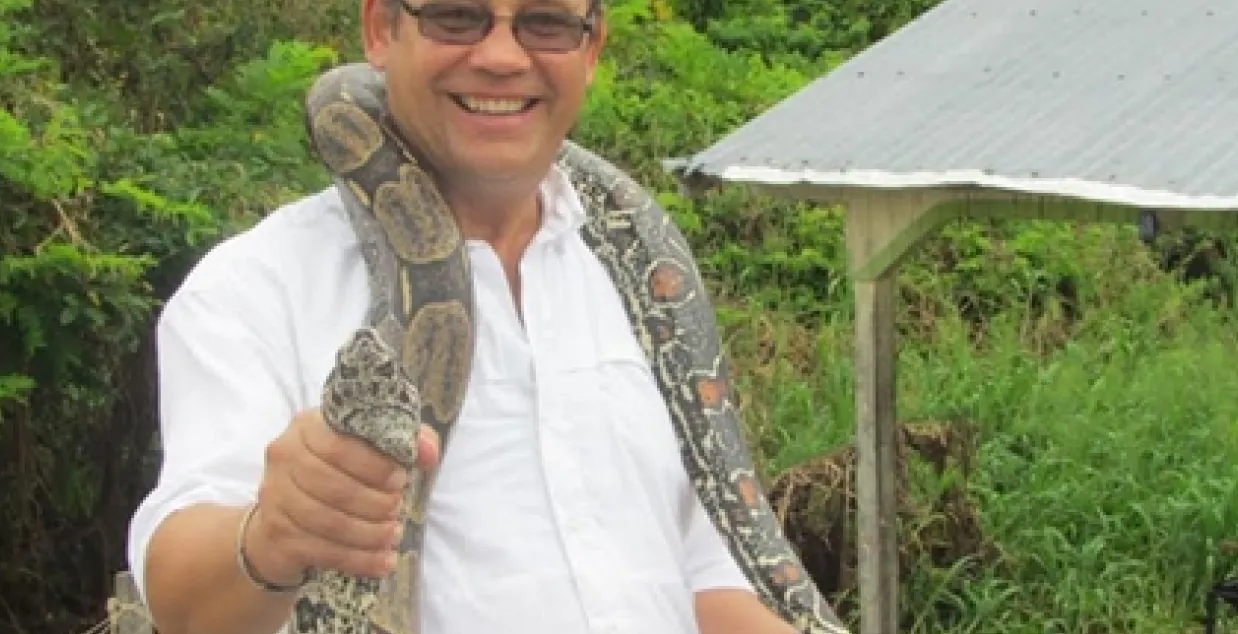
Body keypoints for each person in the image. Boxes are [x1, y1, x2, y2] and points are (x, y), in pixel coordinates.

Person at [125, 0, 803, 632]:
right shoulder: (255, 286)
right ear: (381, 31)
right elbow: (181, 590)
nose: (503, 57)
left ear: (591, 49)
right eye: (457, 17)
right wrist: (274, 535)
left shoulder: (644, 284)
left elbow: (700, 576)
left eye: (545, 23)